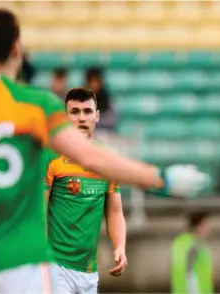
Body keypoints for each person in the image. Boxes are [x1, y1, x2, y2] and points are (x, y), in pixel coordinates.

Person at [0, 9, 209, 293]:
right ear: (17, 48)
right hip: (21, 259)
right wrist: (161, 179)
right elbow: (90, 156)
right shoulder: (34, 104)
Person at [44, 87, 127, 294]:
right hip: (56, 266)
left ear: (97, 116)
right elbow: (39, 212)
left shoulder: (107, 160)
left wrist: (120, 247)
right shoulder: (51, 156)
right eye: (75, 112)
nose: (82, 118)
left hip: (89, 270)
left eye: (87, 111)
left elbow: (115, 212)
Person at [171, 211, 213, 294]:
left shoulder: (181, 242)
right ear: (199, 226)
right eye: (206, 225)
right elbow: (189, 272)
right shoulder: (195, 245)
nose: (209, 228)